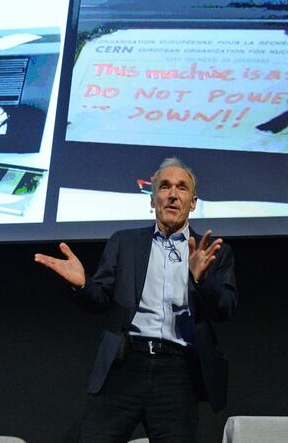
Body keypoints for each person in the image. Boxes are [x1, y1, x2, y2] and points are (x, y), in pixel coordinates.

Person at [34, 157, 237, 442]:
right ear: (153, 199)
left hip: (178, 374)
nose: (172, 194)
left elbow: (225, 309)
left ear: (193, 202)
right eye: (164, 187)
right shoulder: (124, 242)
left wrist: (201, 280)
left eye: (182, 188)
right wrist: (82, 285)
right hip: (125, 365)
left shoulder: (212, 251)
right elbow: (100, 299)